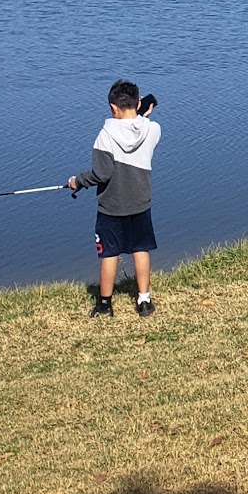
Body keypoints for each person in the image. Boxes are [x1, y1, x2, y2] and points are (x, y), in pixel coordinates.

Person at [67, 79, 161, 318]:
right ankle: (144, 300)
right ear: (138, 104)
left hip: (111, 206)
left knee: (109, 253)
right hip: (140, 203)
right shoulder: (152, 130)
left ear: (112, 107)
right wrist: (140, 118)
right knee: (140, 249)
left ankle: (105, 305)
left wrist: (78, 181)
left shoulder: (105, 135)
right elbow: (142, 126)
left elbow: (101, 174)